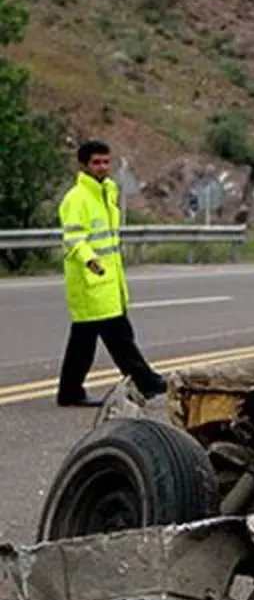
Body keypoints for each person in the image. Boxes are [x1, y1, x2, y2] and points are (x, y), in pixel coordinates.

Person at [56, 139, 165, 408]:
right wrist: (91, 260)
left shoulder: (108, 191)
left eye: (106, 161)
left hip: (108, 280)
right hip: (89, 280)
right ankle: (147, 382)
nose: (103, 167)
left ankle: (69, 391)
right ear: (83, 165)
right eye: (96, 162)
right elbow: (74, 239)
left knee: (84, 341)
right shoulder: (76, 199)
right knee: (119, 336)